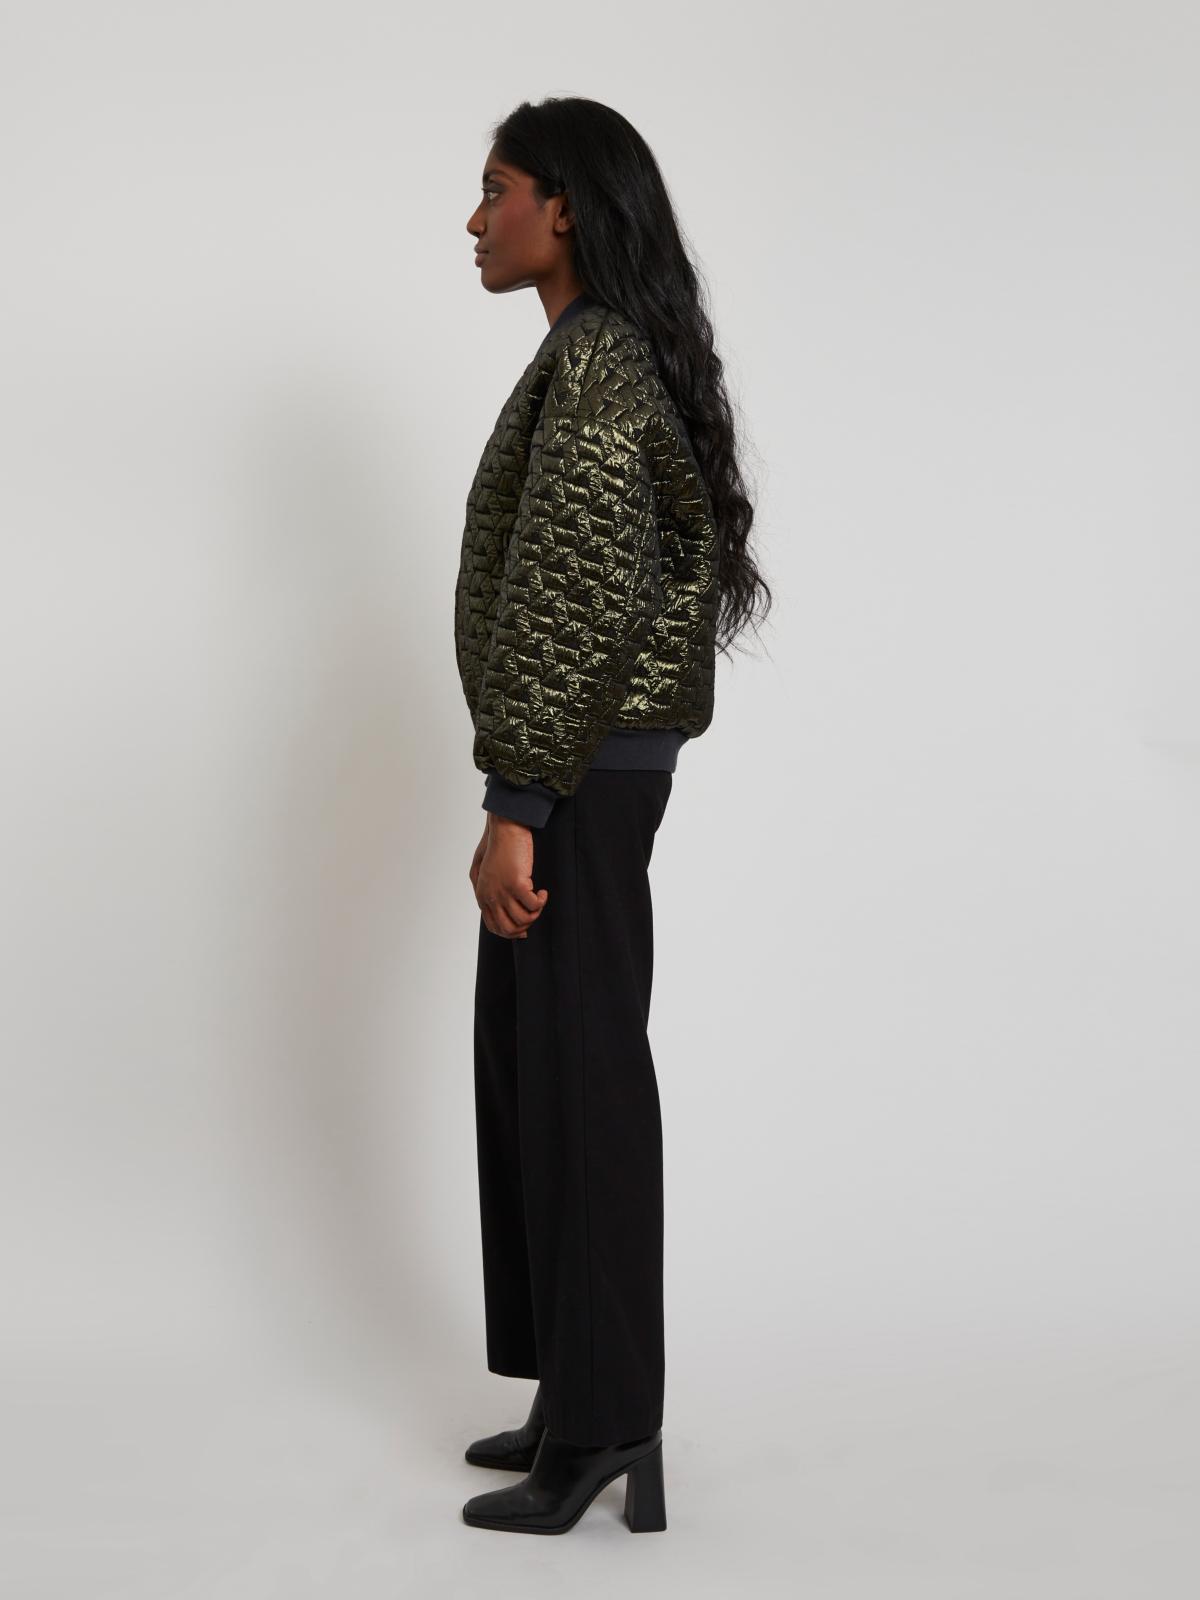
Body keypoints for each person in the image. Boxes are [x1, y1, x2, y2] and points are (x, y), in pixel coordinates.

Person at [454, 95, 770, 1535]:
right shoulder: (593, 353)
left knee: (577, 1078)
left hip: (579, 771)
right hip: (579, 762)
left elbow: (572, 591)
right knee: (538, 1071)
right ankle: (576, 1388)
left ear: (565, 207)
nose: (476, 220)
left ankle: (603, 1424)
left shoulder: (595, 365)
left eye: (497, 189)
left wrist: (518, 801)